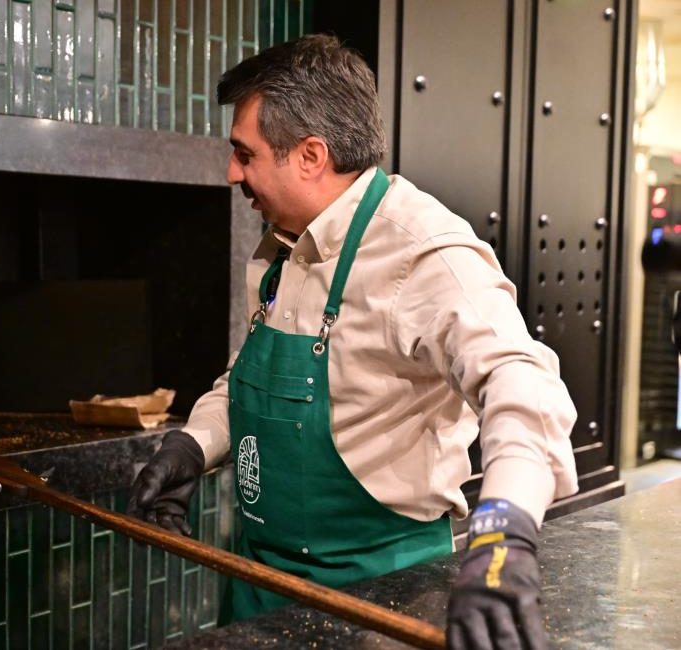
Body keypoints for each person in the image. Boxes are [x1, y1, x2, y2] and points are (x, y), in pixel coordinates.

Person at [127, 34, 577, 649]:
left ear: (310, 155)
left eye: (244, 153)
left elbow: (520, 380)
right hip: (258, 580)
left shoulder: (422, 251)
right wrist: (193, 444)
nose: (232, 172)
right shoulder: (285, 243)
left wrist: (507, 529)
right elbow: (253, 374)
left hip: (383, 595)